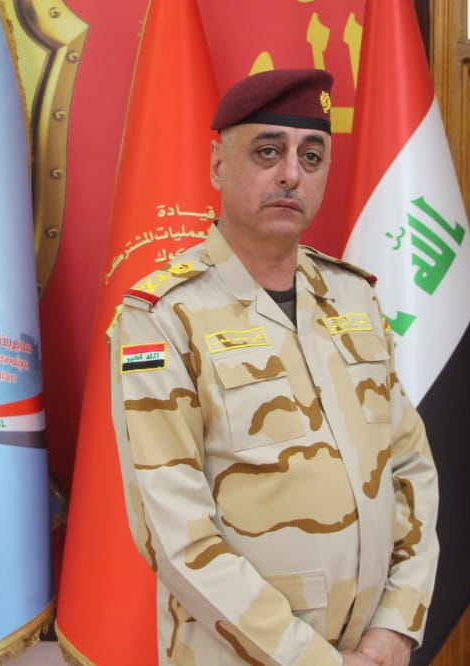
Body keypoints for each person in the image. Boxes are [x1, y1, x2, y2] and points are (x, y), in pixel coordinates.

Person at [110, 68, 439, 666]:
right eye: (268, 151)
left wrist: (396, 628)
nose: (291, 173)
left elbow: (411, 468)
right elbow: (175, 531)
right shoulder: (163, 317)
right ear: (218, 165)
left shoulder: (354, 297)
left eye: (311, 156)